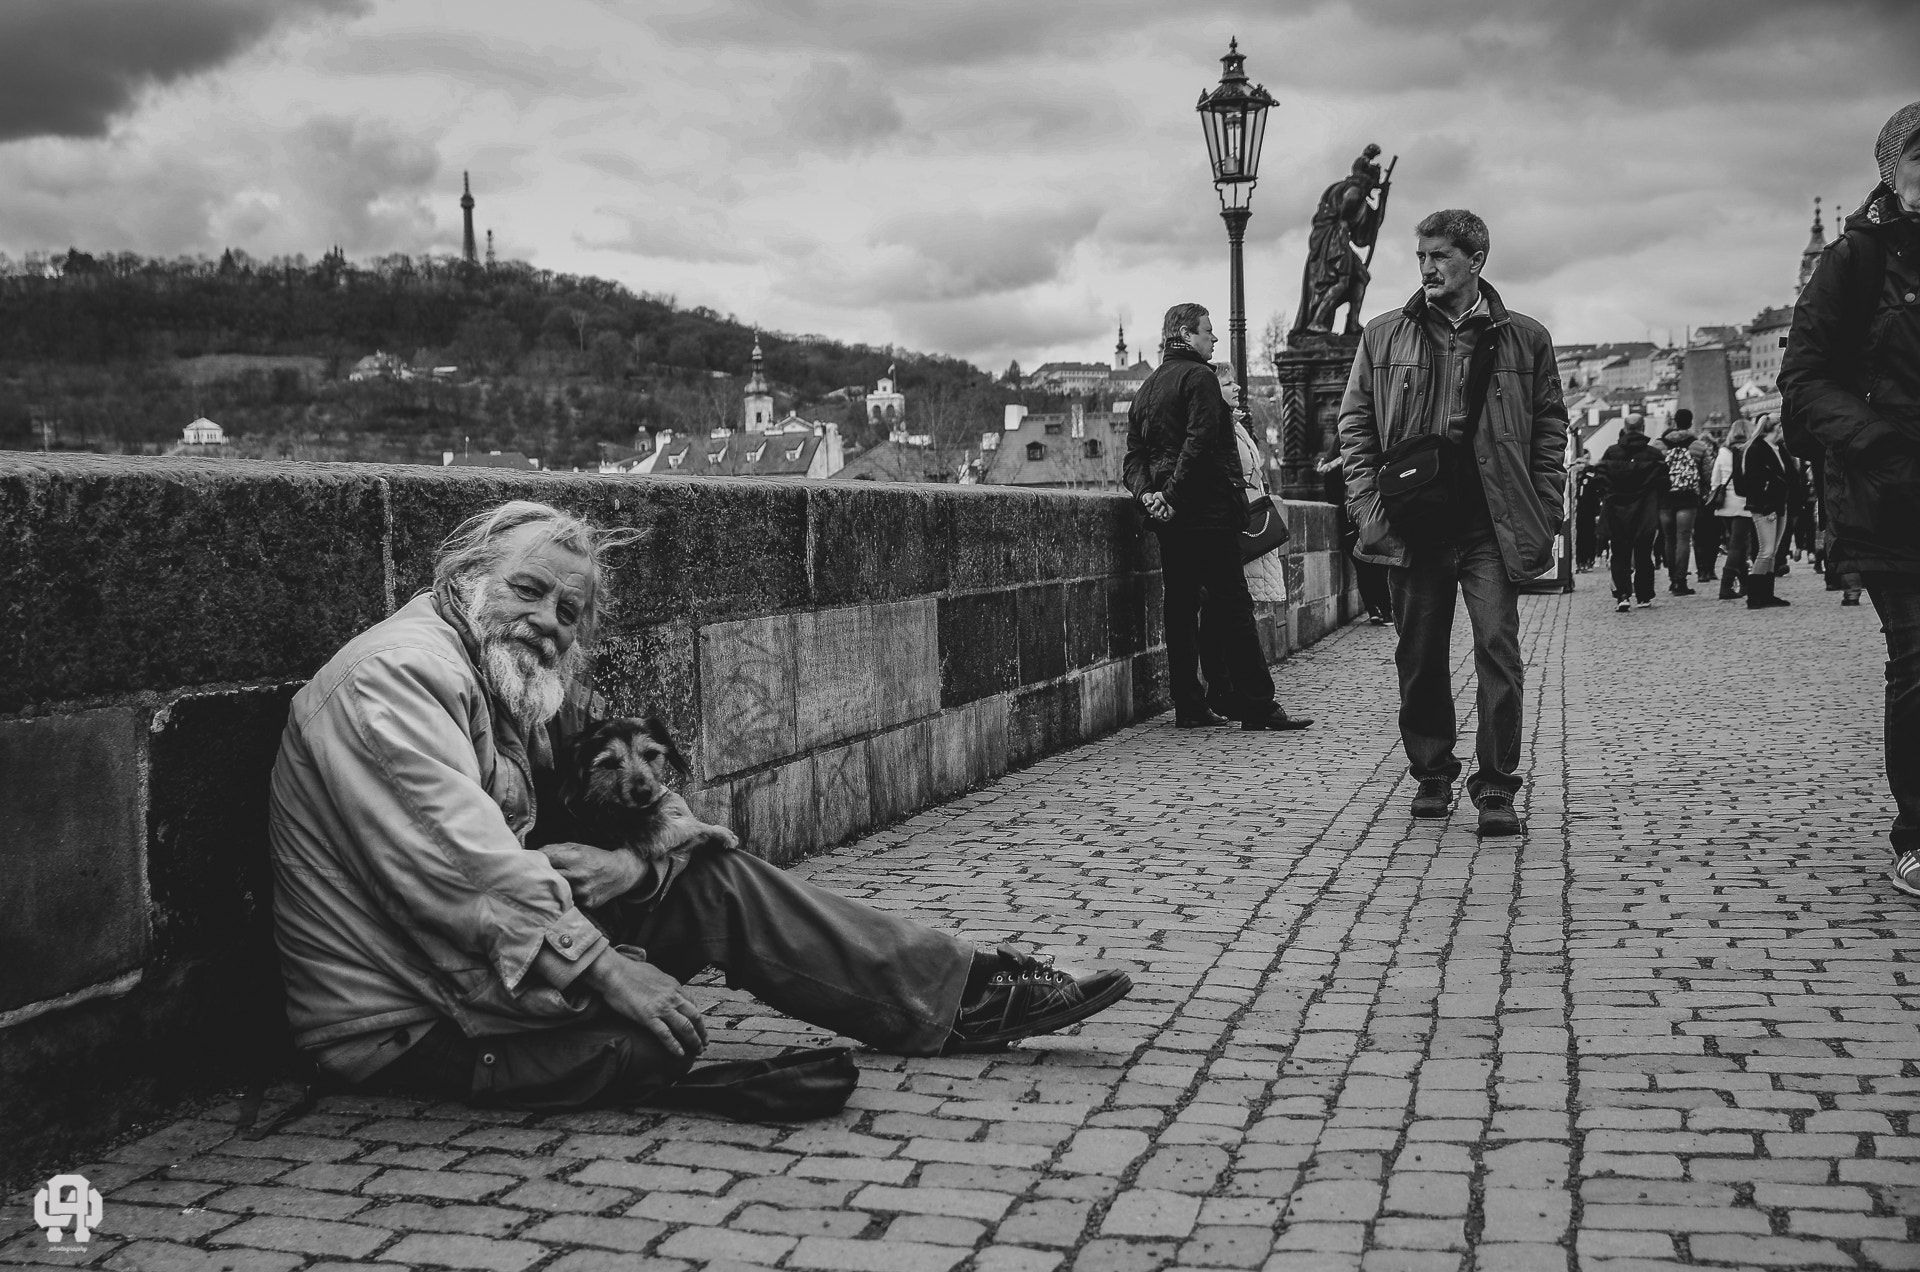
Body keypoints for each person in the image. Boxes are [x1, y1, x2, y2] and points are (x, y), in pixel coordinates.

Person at [268, 501, 1134, 1108]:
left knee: (706, 880)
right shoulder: (397, 678)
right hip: (405, 1015)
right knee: (655, 1042)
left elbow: (669, 812)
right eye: (527, 590)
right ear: (465, 576)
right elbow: (462, 870)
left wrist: (635, 862)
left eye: (569, 612)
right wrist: (610, 969)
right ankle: (944, 996)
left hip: (474, 965)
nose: (547, 621)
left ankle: (959, 991)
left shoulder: (515, 675)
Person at [1337, 208, 1568, 837]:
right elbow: (1355, 426)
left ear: (1476, 260)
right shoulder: (1385, 335)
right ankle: (1432, 772)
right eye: (1421, 257)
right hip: (1415, 523)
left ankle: (1496, 786)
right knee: (1419, 654)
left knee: (1498, 649)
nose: (1427, 268)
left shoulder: (1526, 337)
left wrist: (1543, 507)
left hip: (1491, 522)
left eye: (1439, 256)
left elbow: (1550, 427)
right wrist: (1368, 508)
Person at [1780, 99, 1920, 899]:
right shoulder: (1857, 258)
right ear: (1892, 172)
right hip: (1891, 494)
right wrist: (1880, 444)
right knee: (1918, 660)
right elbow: (1804, 379)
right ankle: (1916, 835)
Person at [1125, 303, 1311, 731]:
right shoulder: (1200, 379)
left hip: (1171, 520)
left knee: (1180, 607)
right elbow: (1201, 443)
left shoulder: (1147, 388)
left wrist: (1150, 495)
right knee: (1233, 606)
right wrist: (1170, 494)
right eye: (1208, 332)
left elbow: (1133, 458)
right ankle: (1259, 705)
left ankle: (1189, 705)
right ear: (1186, 335)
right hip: (1207, 512)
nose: (1214, 340)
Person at [1318, 435, 1392, 624]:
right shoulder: (1352, 461)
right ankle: (1383, 609)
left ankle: (1375, 608)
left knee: (1367, 566)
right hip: (1361, 517)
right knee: (1372, 564)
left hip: (1352, 518)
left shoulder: (1335, 466)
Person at [1595, 415, 1665, 611]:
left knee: (1619, 553)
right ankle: (1643, 596)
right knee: (1643, 554)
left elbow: (1599, 479)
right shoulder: (1653, 454)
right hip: (1645, 510)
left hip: (1617, 509)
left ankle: (1623, 595)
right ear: (1643, 428)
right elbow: (1663, 482)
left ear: (1625, 429)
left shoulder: (1612, 452)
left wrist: (1609, 494)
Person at [1740, 413, 1795, 609]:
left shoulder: (1778, 448)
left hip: (1780, 504)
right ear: (1777, 429)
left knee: (1772, 552)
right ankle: (1754, 596)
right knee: (1766, 551)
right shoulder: (1756, 449)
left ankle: (1767, 594)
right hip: (1765, 507)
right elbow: (1754, 483)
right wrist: (1767, 507)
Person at [1658, 412, 1706, 594]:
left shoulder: (1659, 444)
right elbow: (1707, 473)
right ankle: (1680, 581)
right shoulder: (1698, 445)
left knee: (1669, 539)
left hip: (1665, 498)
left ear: (1674, 422)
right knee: (1684, 538)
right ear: (1691, 423)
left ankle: (1672, 578)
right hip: (1688, 497)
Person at [1710, 419, 1753, 600]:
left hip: (1725, 504)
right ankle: (1726, 586)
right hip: (1743, 503)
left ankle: (1744, 584)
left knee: (1737, 545)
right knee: (1737, 545)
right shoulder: (1749, 451)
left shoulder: (1723, 453)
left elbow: (1715, 480)